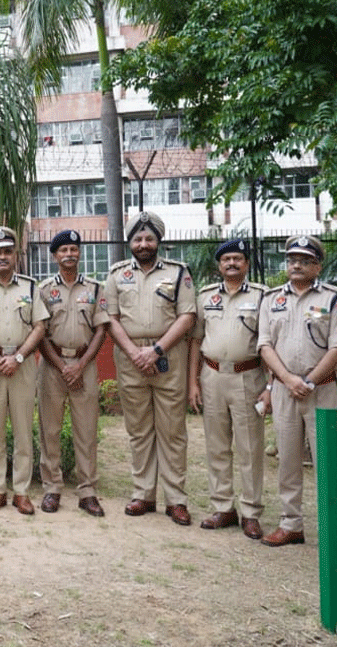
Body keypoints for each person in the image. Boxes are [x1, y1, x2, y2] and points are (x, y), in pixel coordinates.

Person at [257, 235, 337, 564]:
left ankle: (331, 535)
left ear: (317, 266)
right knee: (287, 459)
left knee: (326, 462)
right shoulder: (271, 300)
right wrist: (287, 380)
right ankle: (290, 523)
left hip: (320, 390)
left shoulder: (334, 299)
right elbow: (265, 345)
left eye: (304, 259)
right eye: (291, 259)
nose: (295, 264)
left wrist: (308, 382)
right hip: (284, 391)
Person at [104, 211, 196, 525]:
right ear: (130, 242)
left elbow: (187, 316)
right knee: (139, 430)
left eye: (149, 238)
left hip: (168, 355)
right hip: (130, 360)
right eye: (138, 239)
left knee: (172, 431)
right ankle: (143, 494)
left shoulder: (178, 272)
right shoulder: (116, 274)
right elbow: (110, 319)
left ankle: (176, 500)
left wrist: (156, 350)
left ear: (158, 240)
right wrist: (134, 352)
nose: (143, 243)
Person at [187, 239, 267, 539]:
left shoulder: (261, 296)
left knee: (250, 448)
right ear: (219, 265)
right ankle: (223, 506)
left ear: (246, 264)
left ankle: (251, 512)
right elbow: (196, 340)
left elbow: (267, 342)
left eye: (237, 259)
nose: (231, 264)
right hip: (212, 376)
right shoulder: (206, 296)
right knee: (216, 446)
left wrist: (270, 386)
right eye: (226, 260)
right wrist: (192, 382)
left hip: (248, 377)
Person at [0, 227, 48, 515]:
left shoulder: (30, 288)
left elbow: (40, 326)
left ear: (16, 254)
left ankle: (22, 491)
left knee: (22, 429)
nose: (2, 256)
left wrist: (17, 357)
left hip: (23, 364)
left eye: (7, 251)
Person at [37, 230, 109, 516]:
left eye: (73, 249)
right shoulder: (43, 290)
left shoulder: (94, 289)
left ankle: (87, 491)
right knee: (49, 429)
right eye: (63, 250)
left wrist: (79, 365)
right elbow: (39, 332)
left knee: (86, 430)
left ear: (80, 253)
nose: (69, 254)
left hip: (84, 366)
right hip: (52, 365)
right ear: (55, 256)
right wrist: (60, 364)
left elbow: (101, 329)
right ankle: (52, 488)